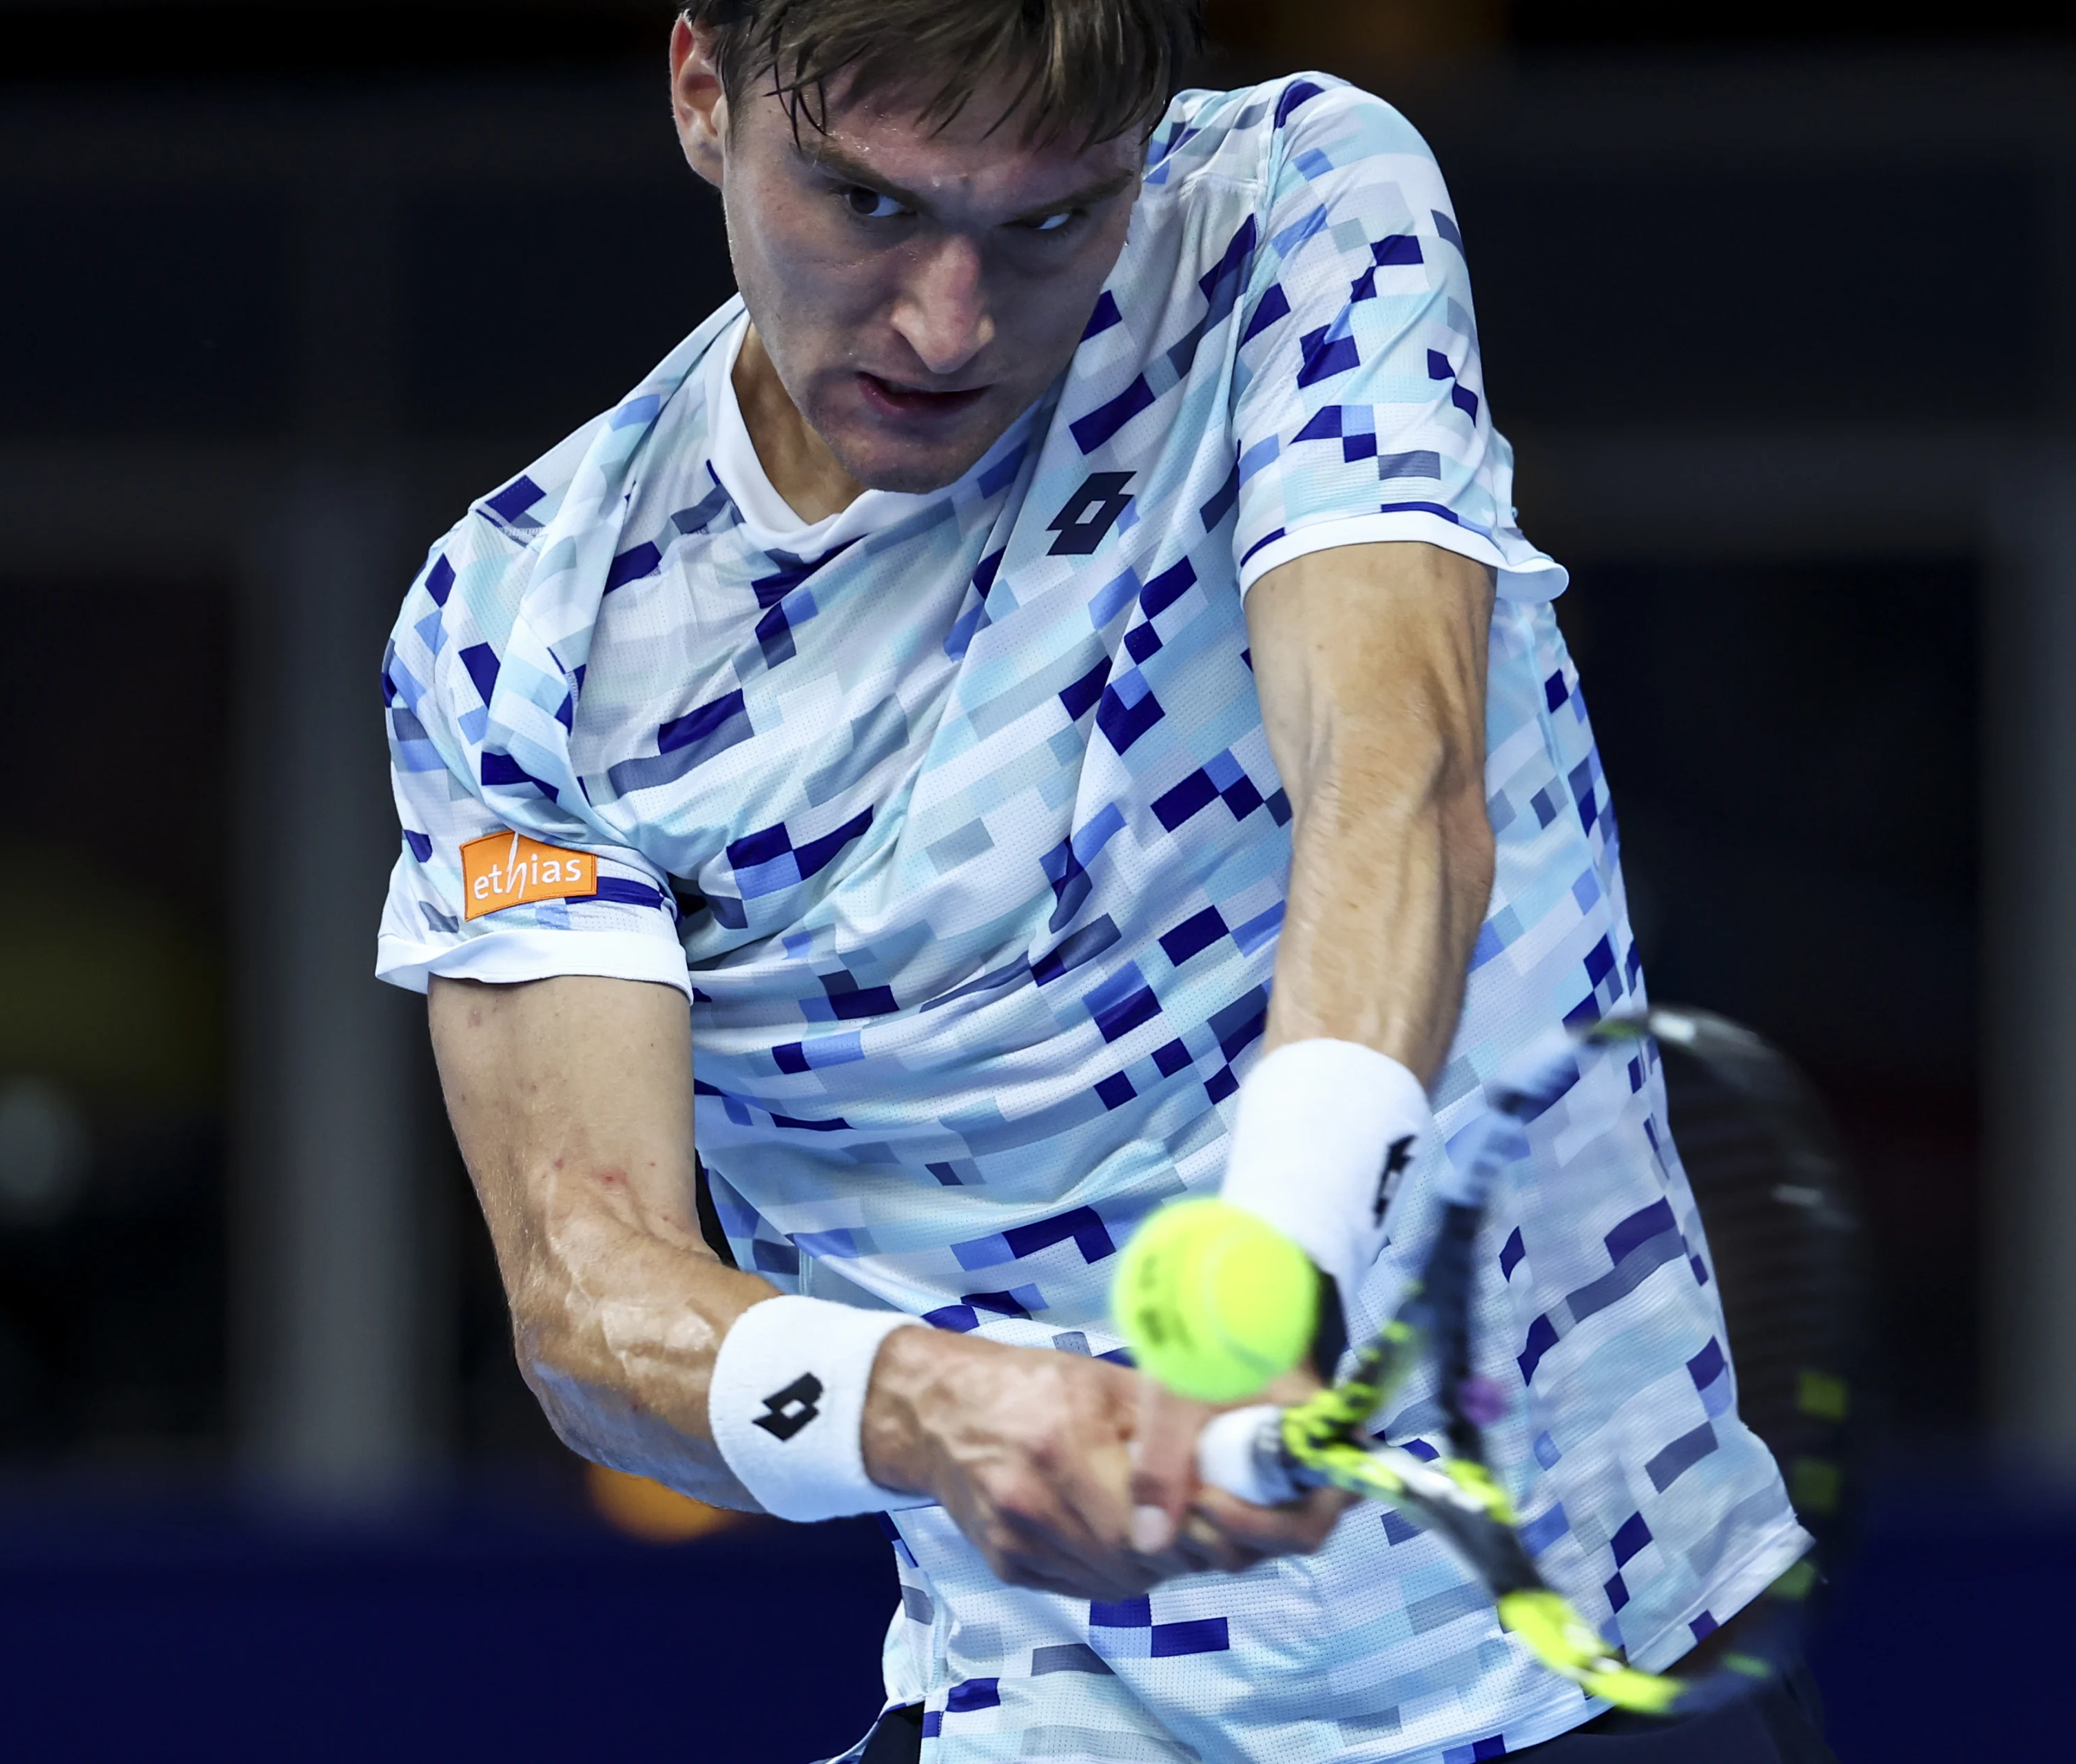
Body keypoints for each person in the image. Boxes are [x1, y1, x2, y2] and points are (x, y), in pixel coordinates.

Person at [376, 3, 1827, 1759]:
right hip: (1050, 1710)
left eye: (1051, 220)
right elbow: (589, 1295)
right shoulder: (522, 636)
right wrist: (928, 1404)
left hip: (1601, 1660)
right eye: (871, 205)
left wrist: (1273, 1263)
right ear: (702, 93)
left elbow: (1401, 766)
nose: (948, 320)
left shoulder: (1293, 207)